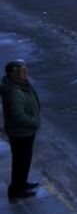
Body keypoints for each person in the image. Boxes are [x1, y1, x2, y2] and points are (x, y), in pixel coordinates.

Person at [1, 60, 41, 201]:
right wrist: (34, 122)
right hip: (21, 132)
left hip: (25, 131)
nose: (26, 73)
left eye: (26, 70)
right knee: (20, 162)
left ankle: (22, 184)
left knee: (24, 161)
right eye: (22, 71)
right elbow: (17, 115)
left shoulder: (20, 85)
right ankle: (16, 191)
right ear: (14, 74)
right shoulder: (14, 91)